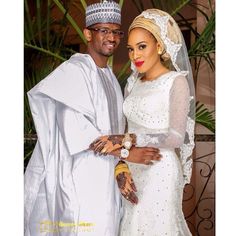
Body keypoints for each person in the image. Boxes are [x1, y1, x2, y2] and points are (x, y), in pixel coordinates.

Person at [24, 1, 161, 236]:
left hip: (106, 179)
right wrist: (128, 153)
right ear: (88, 33)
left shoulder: (109, 76)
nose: (112, 37)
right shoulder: (74, 72)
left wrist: (120, 167)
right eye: (104, 30)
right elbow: (77, 133)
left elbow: (113, 129)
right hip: (81, 179)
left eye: (116, 32)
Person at [90, 8, 195, 236]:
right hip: (132, 168)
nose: (134, 55)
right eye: (130, 48)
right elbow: (125, 127)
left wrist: (128, 139)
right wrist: (121, 165)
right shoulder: (132, 83)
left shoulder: (176, 82)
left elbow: (175, 138)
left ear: (159, 46)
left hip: (160, 169)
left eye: (142, 46)